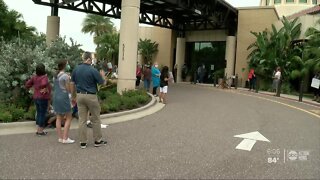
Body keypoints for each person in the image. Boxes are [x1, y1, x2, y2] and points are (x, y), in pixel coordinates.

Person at [71, 51, 107, 149]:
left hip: (80, 95)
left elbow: (72, 83)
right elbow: (102, 83)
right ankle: (97, 140)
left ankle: (83, 142)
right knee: (95, 118)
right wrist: (103, 76)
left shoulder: (76, 69)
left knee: (82, 119)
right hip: (91, 96)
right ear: (89, 59)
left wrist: (73, 95)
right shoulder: (93, 70)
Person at [25, 63, 51, 136]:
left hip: (36, 97)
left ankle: (38, 130)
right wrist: (43, 87)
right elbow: (44, 83)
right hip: (42, 97)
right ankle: (40, 131)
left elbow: (27, 84)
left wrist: (34, 87)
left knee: (39, 113)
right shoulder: (44, 77)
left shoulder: (34, 77)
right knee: (42, 114)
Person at [52, 60, 75, 144]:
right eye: (67, 64)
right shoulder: (65, 76)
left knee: (58, 117)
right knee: (69, 117)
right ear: (65, 66)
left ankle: (60, 137)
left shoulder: (55, 76)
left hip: (56, 96)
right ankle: (65, 138)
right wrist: (72, 95)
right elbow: (68, 88)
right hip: (64, 97)